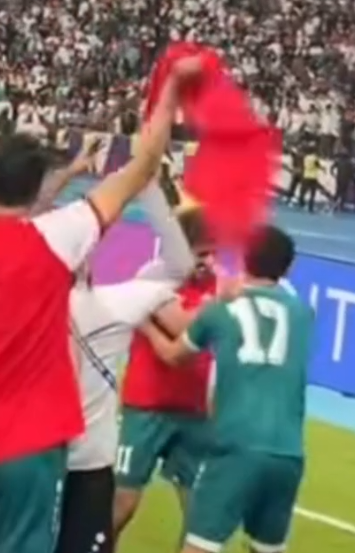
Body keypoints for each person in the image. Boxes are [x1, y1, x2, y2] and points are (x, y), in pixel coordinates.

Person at [0, 59, 195, 553]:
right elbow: (140, 167)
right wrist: (168, 90)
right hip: (30, 444)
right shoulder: (57, 237)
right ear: (34, 189)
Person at [145, 225, 312, 553]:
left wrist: (144, 321)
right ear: (288, 267)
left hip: (236, 446)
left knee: (201, 546)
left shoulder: (220, 311)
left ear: (245, 260)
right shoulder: (304, 314)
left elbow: (174, 356)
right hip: (289, 454)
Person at [60, 184, 195, 553]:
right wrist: (148, 187)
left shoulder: (27, 306)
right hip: (88, 461)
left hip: (32, 456)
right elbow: (180, 264)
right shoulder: (112, 305)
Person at [111, 204, 218, 542]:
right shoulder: (152, 278)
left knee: (201, 517)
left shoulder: (215, 285)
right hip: (147, 407)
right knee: (122, 504)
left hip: (195, 413)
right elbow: (182, 334)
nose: (209, 262)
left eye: (214, 253)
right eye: (202, 254)